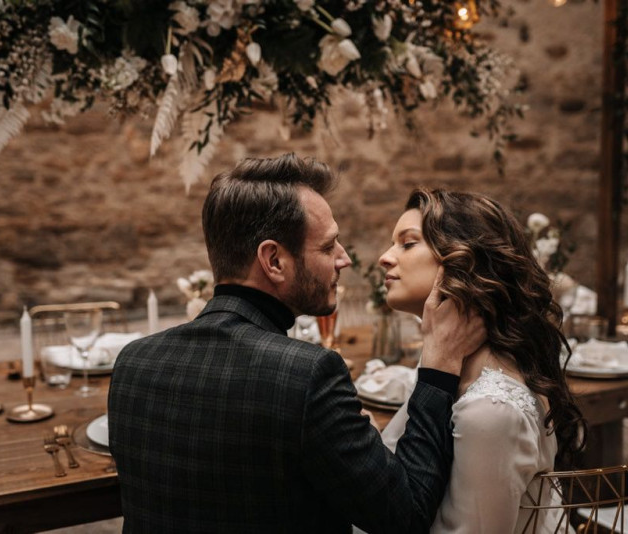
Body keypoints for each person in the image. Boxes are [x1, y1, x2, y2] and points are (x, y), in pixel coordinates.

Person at [108, 154, 486, 533]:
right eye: (327, 247)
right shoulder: (307, 374)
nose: (345, 260)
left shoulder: (132, 361)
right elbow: (406, 514)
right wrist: (437, 370)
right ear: (274, 260)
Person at [377, 189, 585, 533]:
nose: (385, 257)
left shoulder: (490, 411)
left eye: (408, 243)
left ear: (463, 261)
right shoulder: (447, 363)